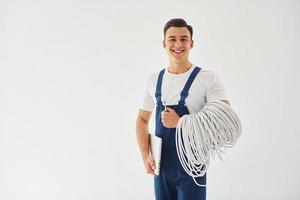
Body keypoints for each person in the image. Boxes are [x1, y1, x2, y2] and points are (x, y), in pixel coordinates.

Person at [135, 18, 230, 200]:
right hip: (162, 168)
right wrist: (145, 155)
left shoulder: (207, 78)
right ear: (164, 43)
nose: (178, 44)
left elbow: (225, 118)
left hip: (192, 167)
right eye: (172, 39)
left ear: (191, 43)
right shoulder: (155, 79)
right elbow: (142, 119)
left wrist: (180, 122)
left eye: (184, 39)